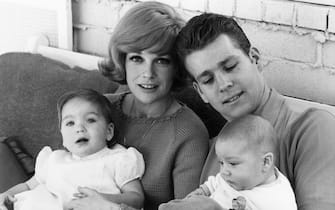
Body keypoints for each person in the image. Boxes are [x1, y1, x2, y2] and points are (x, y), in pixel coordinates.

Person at [174, 13, 335, 210]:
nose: (224, 84)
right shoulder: (217, 151)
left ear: (255, 59)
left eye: (230, 66)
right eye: (208, 80)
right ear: (201, 92)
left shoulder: (313, 128)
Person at [65, 2, 210, 210]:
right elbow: (59, 170)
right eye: (136, 58)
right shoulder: (98, 109)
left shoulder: (189, 132)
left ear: (177, 66)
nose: (148, 73)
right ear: (122, 60)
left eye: (161, 61)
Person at [0, 89, 145, 210]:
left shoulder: (118, 159)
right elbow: (27, 186)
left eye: (90, 120)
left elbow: (136, 198)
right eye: (70, 123)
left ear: (109, 131)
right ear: (62, 135)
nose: (79, 128)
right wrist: (6, 194)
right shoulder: (54, 159)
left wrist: (104, 198)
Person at [171, 115, 296, 210]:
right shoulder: (231, 179)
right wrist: (199, 193)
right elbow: (213, 184)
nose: (224, 172)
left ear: (265, 162)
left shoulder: (278, 201)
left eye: (233, 163)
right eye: (221, 163)